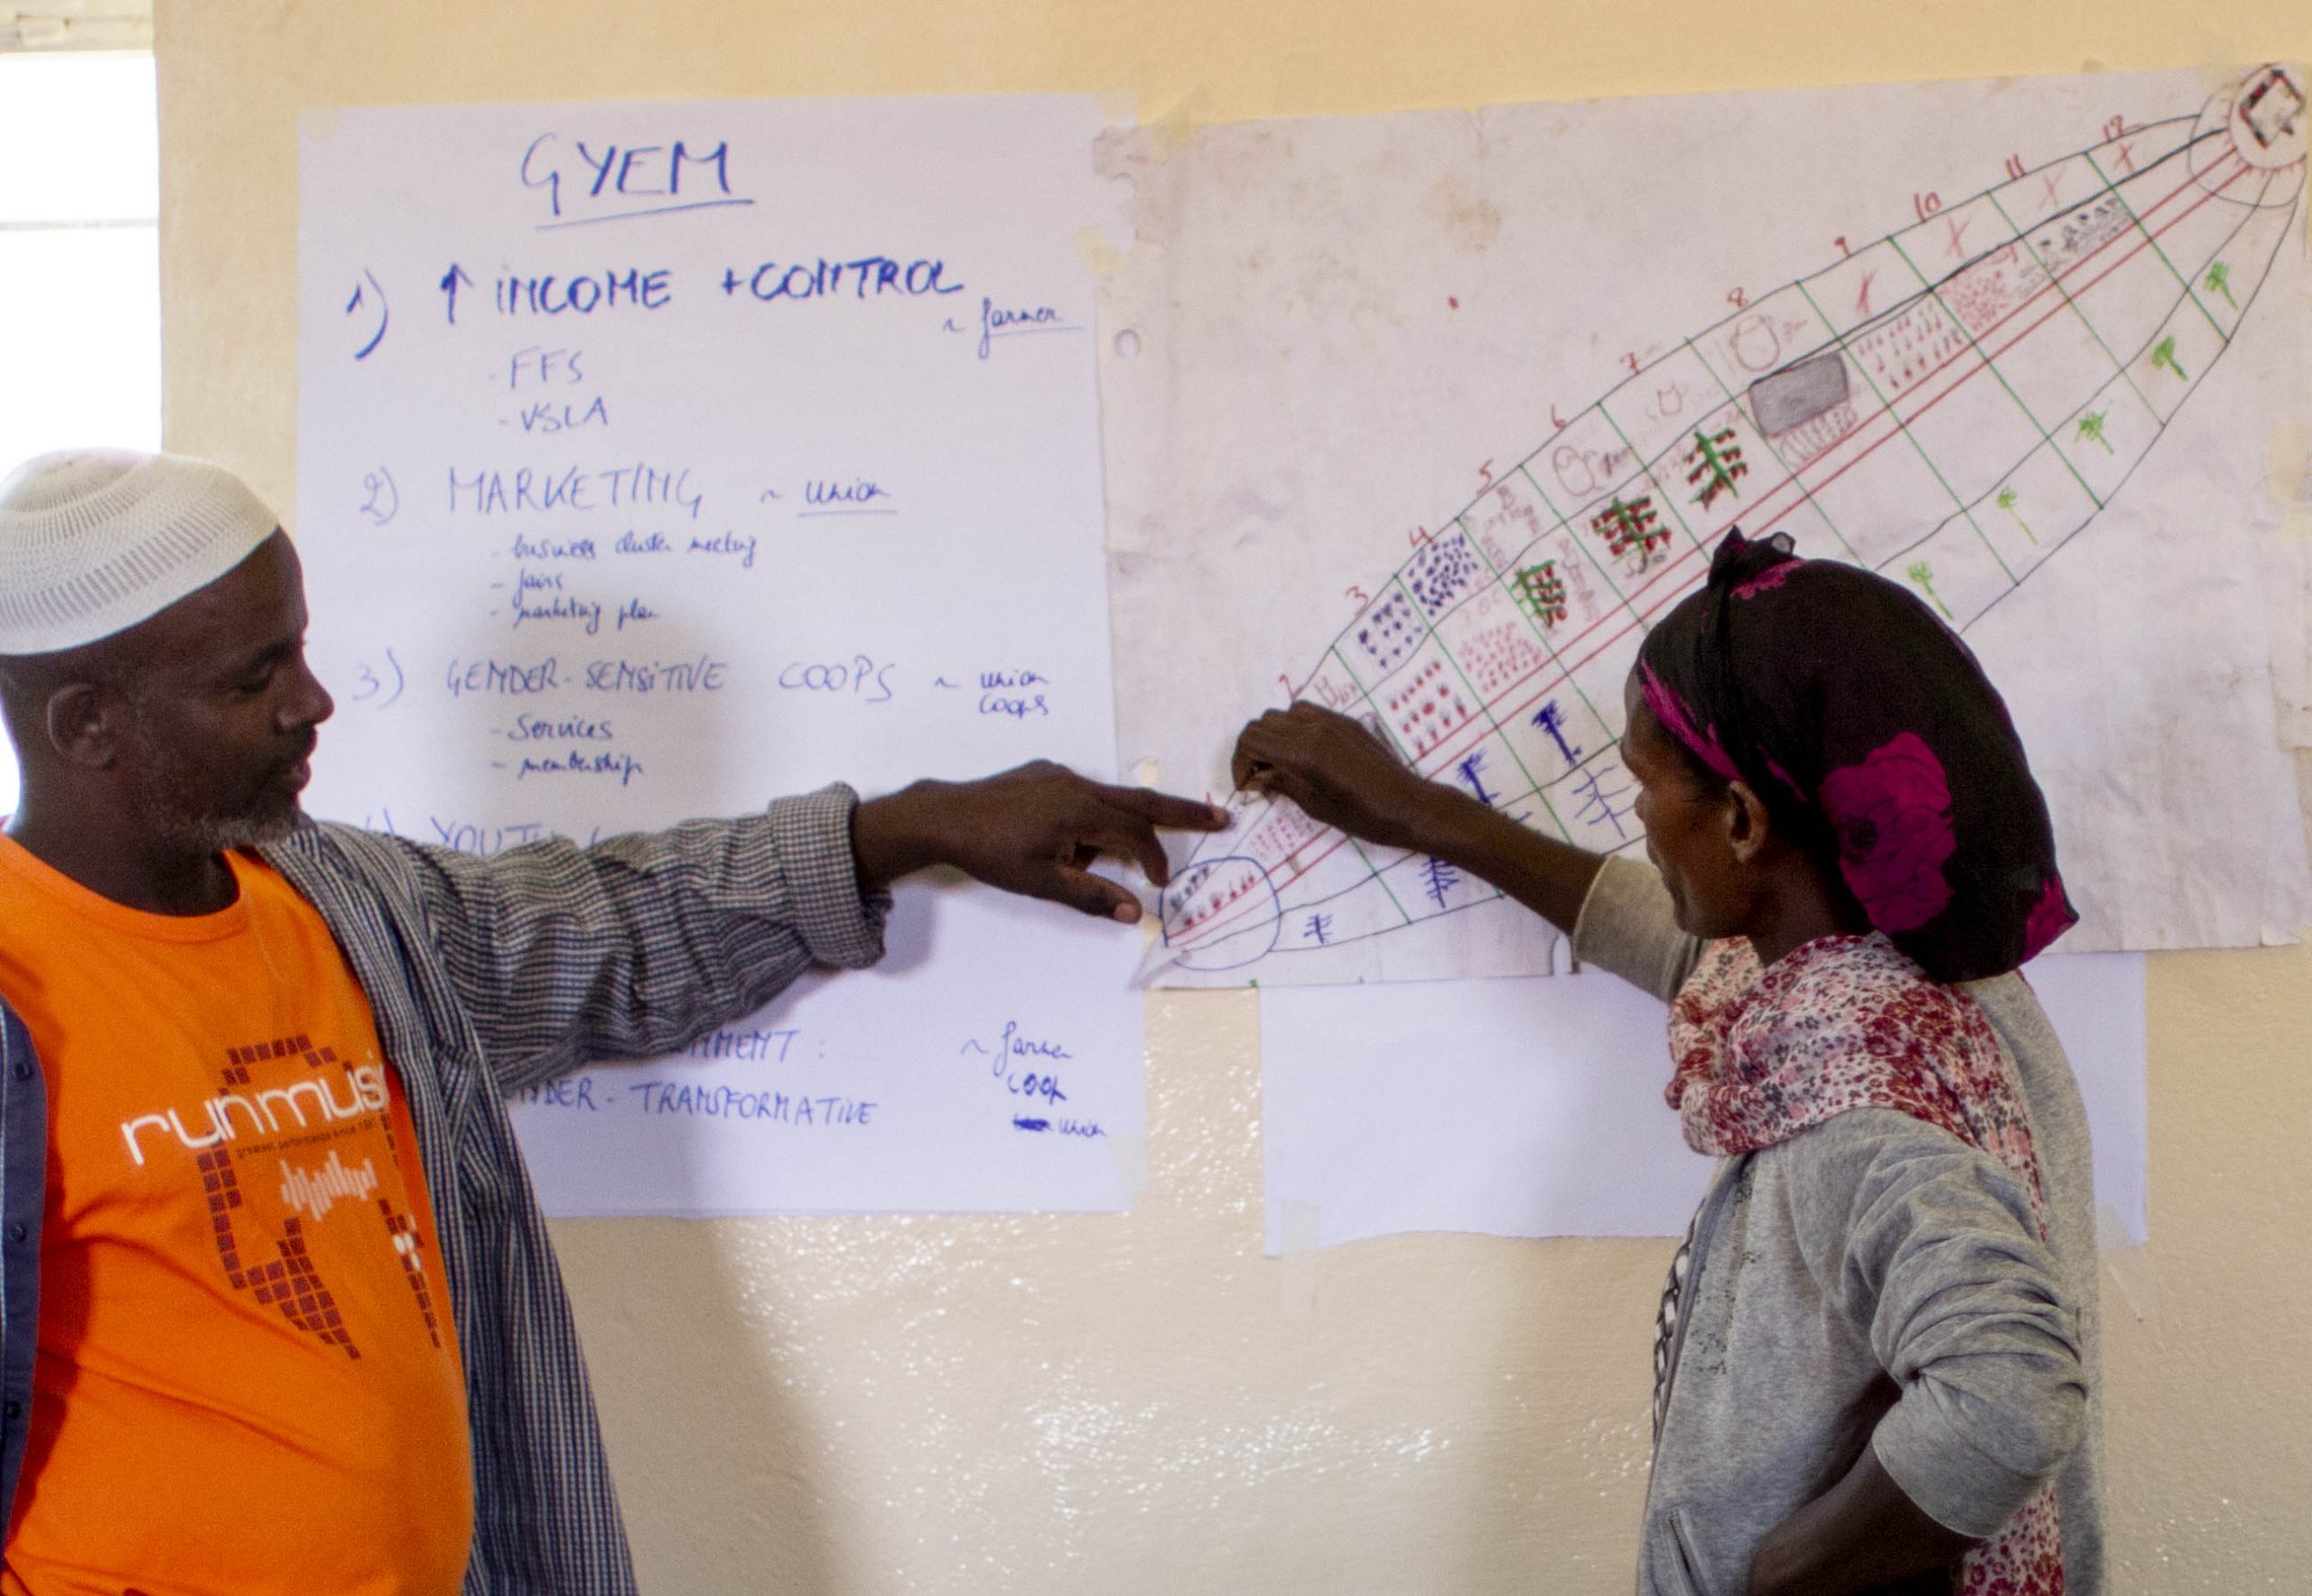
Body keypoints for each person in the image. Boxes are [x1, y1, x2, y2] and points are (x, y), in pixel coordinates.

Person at [0, 448, 1226, 1595]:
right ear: (88, 724)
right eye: (251, 677)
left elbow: (607, 931)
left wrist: (904, 828)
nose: (311, 701)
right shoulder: (21, 986)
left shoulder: (343, 905)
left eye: (299, 651)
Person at [1232, 529, 2102, 1596]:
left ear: (1740, 821)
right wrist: (1417, 811)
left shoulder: (1853, 1110)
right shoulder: (1932, 992)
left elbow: (2010, 1398)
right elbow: (1686, 942)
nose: (1637, 822)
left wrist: (1776, 1575)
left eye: (1644, 787)